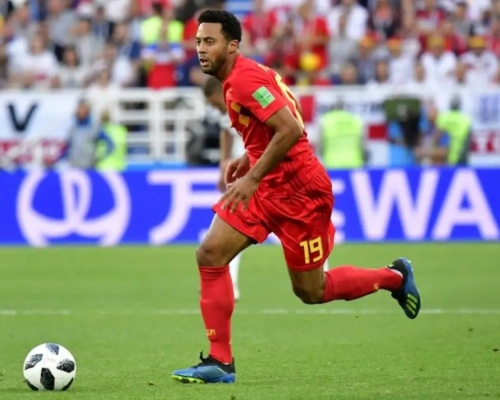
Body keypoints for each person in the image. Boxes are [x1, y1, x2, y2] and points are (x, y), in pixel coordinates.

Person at [171, 9, 422, 385]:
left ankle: (394, 278)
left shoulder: (243, 80)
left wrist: (252, 176)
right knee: (210, 254)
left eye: (210, 41)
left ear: (232, 45)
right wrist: (250, 158)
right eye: (198, 42)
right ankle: (220, 362)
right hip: (266, 187)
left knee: (312, 291)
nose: (201, 49)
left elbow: (289, 129)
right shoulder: (242, 78)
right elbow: (290, 113)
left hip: (300, 192)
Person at [202, 75, 245, 301]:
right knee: (230, 223)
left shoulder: (243, 102)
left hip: (258, 170)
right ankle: (230, 283)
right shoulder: (226, 109)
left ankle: (319, 275)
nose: (213, 107)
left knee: (230, 225)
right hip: (241, 172)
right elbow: (226, 132)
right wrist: (223, 164)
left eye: (213, 101)